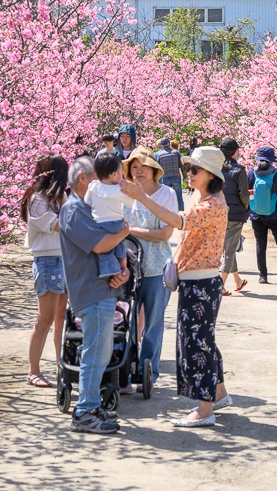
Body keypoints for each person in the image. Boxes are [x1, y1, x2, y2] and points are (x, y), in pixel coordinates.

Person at [121, 146, 232, 428]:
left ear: (212, 175)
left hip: (201, 282)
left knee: (197, 344)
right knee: (203, 341)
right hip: (197, 280)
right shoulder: (204, 197)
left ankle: (205, 409)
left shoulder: (213, 204)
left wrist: (142, 197)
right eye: (189, 168)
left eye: (195, 170)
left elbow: (177, 221)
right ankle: (218, 394)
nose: (189, 174)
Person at [59, 156, 131, 434]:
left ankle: (90, 406)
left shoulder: (87, 207)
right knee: (95, 352)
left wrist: (122, 272)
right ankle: (84, 411)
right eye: (97, 178)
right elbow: (101, 245)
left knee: (100, 352)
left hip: (101, 287)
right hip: (90, 290)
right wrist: (125, 229)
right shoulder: (73, 210)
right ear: (83, 179)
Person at [122, 147, 176, 389]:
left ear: (155, 169)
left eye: (143, 166)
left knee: (153, 322)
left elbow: (165, 233)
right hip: (126, 269)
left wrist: (130, 231)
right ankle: (124, 368)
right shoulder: (122, 195)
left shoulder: (167, 194)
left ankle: (147, 372)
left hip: (156, 268)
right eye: (134, 167)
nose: (139, 171)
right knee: (125, 321)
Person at [19, 154, 69, 388]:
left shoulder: (61, 197)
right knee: (45, 319)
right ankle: (33, 371)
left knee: (61, 317)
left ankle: (62, 364)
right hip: (47, 262)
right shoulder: (37, 199)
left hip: (64, 260)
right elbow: (60, 225)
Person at [248, 146, 277, 284]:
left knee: (260, 245)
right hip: (276, 214)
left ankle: (263, 275)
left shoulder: (252, 173)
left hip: (257, 215)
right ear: (271, 160)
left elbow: (247, 189)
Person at [84, 153, 134, 278]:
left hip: (99, 224)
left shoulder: (93, 186)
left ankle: (107, 269)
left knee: (106, 250)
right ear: (113, 174)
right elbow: (130, 202)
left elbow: (86, 202)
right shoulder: (119, 189)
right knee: (119, 243)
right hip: (117, 223)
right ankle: (122, 265)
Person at [219, 138, 249, 295]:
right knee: (229, 250)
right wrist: (246, 206)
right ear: (234, 151)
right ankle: (220, 285)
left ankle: (237, 280)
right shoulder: (239, 170)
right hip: (235, 215)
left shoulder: (217, 169)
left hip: (220, 214)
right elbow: (244, 194)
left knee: (229, 246)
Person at [155, 137, 186, 211]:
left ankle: (168, 212)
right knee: (179, 196)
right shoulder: (176, 153)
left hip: (165, 177)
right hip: (176, 176)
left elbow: (158, 167)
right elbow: (181, 165)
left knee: (167, 197)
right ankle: (181, 212)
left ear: (162, 145)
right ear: (169, 144)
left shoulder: (160, 155)